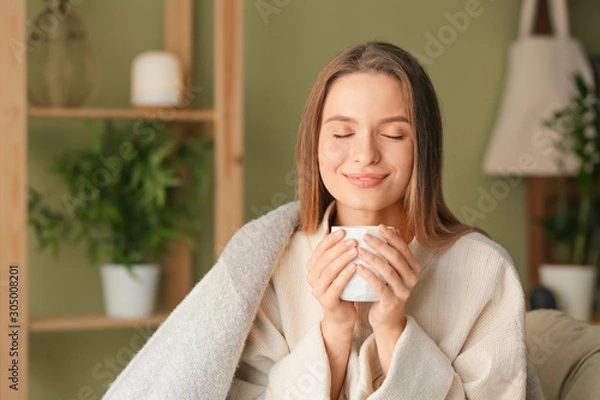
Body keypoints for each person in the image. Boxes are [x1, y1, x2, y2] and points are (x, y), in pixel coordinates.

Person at [103, 41, 539, 400]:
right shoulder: (272, 265)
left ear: (423, 146)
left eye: (393, 134)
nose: (365, 154)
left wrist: (394, 330)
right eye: (342, 134)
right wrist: (332, 333)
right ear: (314, 144)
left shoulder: (484, 270)